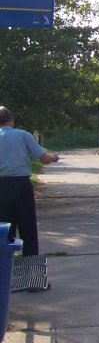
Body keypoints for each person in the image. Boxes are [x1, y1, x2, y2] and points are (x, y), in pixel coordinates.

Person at [0, 106, 59, 257]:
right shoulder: (23, 135)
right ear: (11, 119)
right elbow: (44, 159)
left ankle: (6, 260)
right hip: (21, 185)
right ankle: (30, 260)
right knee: (27, 226)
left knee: (4, 226)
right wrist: (54, 157)